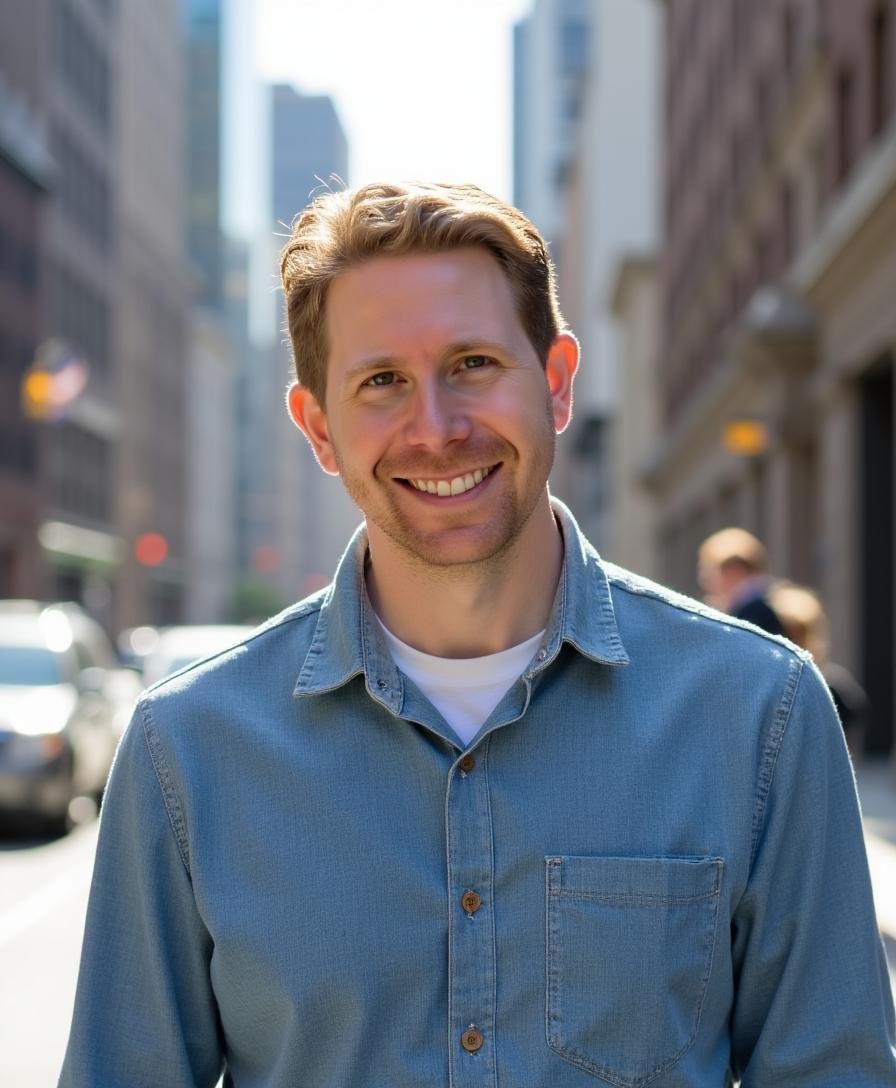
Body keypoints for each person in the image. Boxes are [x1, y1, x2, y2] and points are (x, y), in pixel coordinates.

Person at [59, 182, 896, 1086]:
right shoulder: (185, 749)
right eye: (382, 382)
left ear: (558, 382)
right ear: (319, 429)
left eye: (473, 364)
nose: (438, 429)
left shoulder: (758, 712)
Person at [769, 579, 870, 757]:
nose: (790, 641)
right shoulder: (767, 686)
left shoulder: (833, 686)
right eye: (785, 633)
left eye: (797, 632)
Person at [697, 526, 785, 635]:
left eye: (712, 571)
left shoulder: (753, 612)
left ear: (734, 571)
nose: (706, 580)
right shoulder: (768, 603)